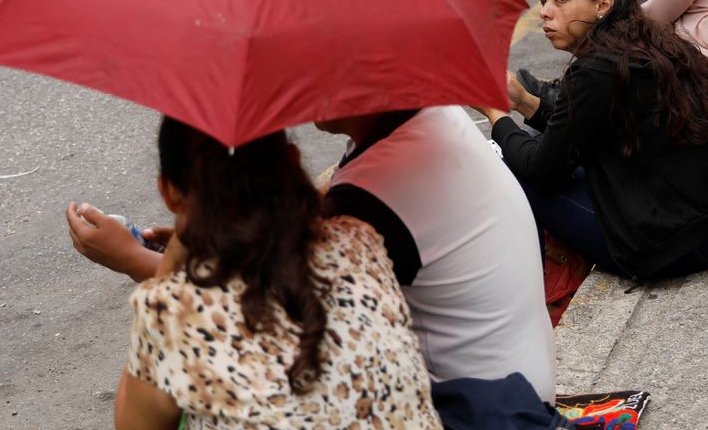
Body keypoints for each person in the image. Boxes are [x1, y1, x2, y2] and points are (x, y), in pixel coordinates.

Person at [66, 108, 557, 404]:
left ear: (168, 191)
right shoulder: (429, 118)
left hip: (473, 410)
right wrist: (215, 237)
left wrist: (140, 262)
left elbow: (257, 316)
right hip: (513, 389)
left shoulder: (368, 199)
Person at [71, 118, 440, 429]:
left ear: (169, 194)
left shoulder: (171, 311)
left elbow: (134, 425)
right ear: (294, 160)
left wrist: (175, 257)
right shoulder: (360, 242)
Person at [480, 0, 708, 282]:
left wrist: (495, 115)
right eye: (543, 1)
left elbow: (543, 171)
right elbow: (575, 131)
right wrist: (523, 102)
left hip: (676, 245)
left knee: (508, 164)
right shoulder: (644, 41)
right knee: (533, 143)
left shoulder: (596, 70)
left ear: (602, 4)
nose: (545, 12)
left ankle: (532, 290)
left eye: (560, 0)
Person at [317, 109, 557, 402]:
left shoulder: (366, 195)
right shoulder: (437, 114)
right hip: (523, 387)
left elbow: (319, 326)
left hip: (477, 412)